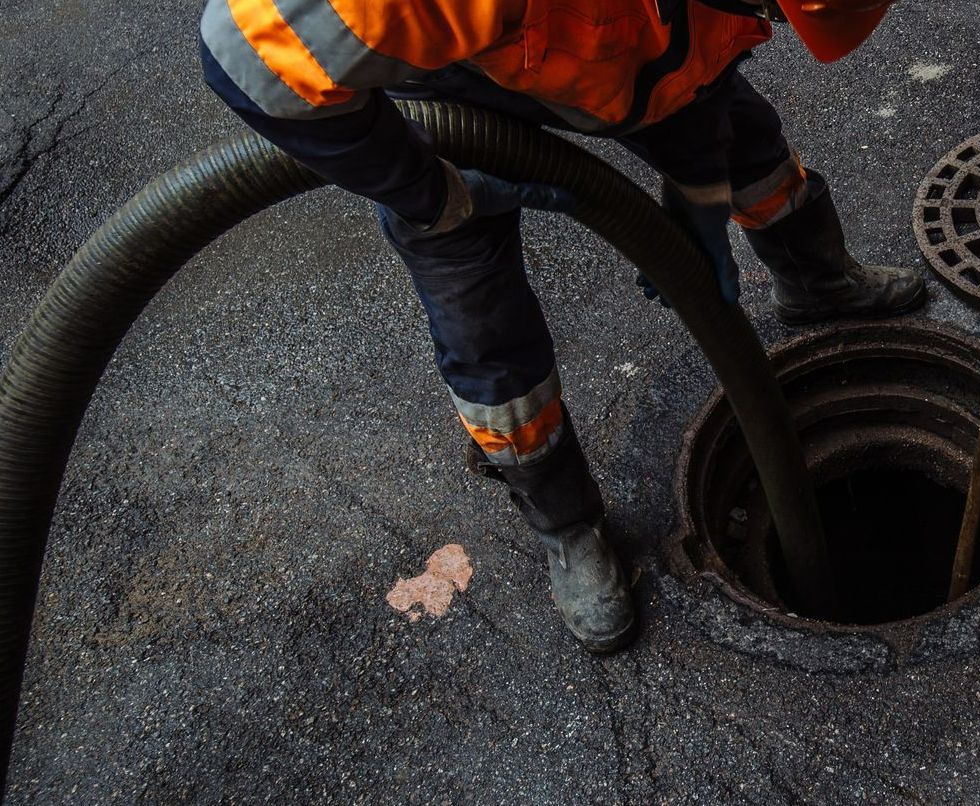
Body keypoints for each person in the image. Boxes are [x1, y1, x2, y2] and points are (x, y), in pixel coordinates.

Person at [199, 0, 914, 651]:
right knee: (480, 316)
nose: (769, 19)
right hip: (457, 77)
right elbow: (243, 55)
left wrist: (699, 186)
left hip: (609, 55)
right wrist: (431, 193)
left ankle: (818, 284)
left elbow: (701, 58)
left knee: (744, 145)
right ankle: (566, 524)